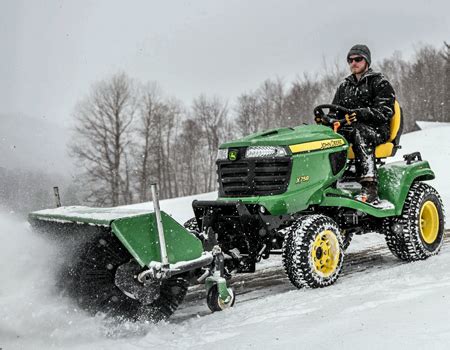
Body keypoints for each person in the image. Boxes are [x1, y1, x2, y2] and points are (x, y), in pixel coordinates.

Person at [326, 44, 396, 203]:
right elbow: (334, 112)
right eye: (350, 60)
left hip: (377, 130)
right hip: (351, 129)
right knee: (326, 138)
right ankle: (329, 181)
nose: (353, 63)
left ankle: (369, 186)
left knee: (359, 131)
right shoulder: (344, 86)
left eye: (358, 59)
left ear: (366, 61)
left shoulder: (379, 82)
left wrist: (361, 113)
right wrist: (329, 120)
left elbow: (385, 111)